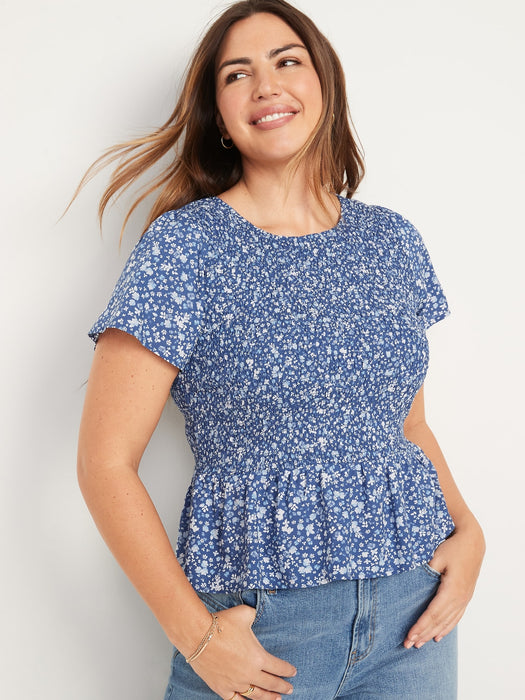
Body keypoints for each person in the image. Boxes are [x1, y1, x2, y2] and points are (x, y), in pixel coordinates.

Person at [76, 1, 485, 698]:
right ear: (219, 116)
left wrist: (468, 532)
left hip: (414, 617)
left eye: (286, 62)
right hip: (266, 630)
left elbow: (407, 424)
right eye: (237, 74)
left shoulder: (390, 241)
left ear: (324, 85)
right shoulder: (185, 248)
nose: (265, 85)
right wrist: (197, 637)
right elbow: (105, 463)